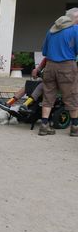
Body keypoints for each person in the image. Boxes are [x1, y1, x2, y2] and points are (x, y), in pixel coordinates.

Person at [38, 8, 78, 136]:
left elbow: (44, 51)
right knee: (71, 95)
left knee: (48, 95)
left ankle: (44, 125)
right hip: (67, 66)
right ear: (73, 18)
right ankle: (75, 127)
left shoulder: (51, 30)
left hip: (49, 66)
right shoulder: (75, 30)